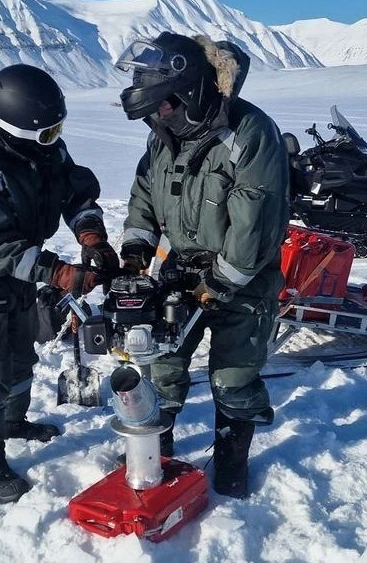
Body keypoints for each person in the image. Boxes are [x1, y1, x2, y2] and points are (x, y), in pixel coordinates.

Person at [0, 64, 119, 504]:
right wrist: (62, 273)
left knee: (20, 354)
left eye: (58, 129)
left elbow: (75, 191)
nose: (55, 139)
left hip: (19, 275)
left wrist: (90, 233)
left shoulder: (42, 150)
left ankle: (13, 422)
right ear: (13, 129)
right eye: (47, 132)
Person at [115, 32, 290, 499]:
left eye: (165, 105)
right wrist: (135, 254)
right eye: (152, 111)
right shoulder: (163, 135)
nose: (158, 116)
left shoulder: (250, 132)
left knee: (233, 378)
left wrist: (216, 285)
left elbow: (254, 224)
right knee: (161, 367)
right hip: (180, 269)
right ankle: (157, 454)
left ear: (191, 91)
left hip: (243, 276)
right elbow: (144, 199)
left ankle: (232, 466)